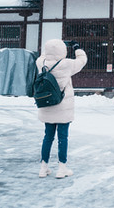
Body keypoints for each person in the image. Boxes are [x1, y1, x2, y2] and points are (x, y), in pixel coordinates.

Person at [36, 39, 87, 179]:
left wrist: (51, 48)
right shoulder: (67, 64)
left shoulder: (42, 63)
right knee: (62, 138)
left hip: (47, 105)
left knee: (48, 137)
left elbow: (42, 55)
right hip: (63, 107)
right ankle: (61, 168)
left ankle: (43, 168)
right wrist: (76, 47)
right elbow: (82, 60)